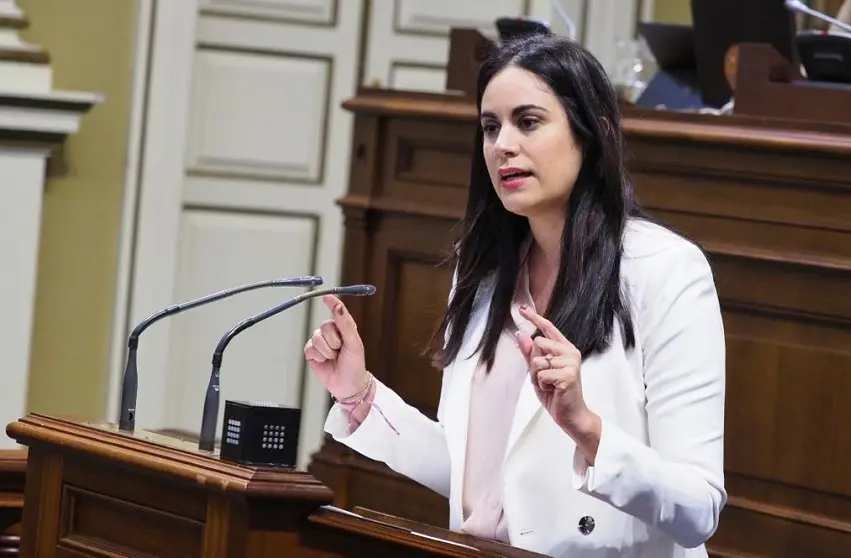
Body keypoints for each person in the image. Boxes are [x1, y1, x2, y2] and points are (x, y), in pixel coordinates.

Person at [304, 32, 727, 558]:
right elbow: (484, 484)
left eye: (528, 122)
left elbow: (699, 510)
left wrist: (588, 430)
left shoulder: (665, 270)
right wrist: (360, 396)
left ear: (590, 133)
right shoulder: (483, 270)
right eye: (489, 126)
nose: (502, 144)